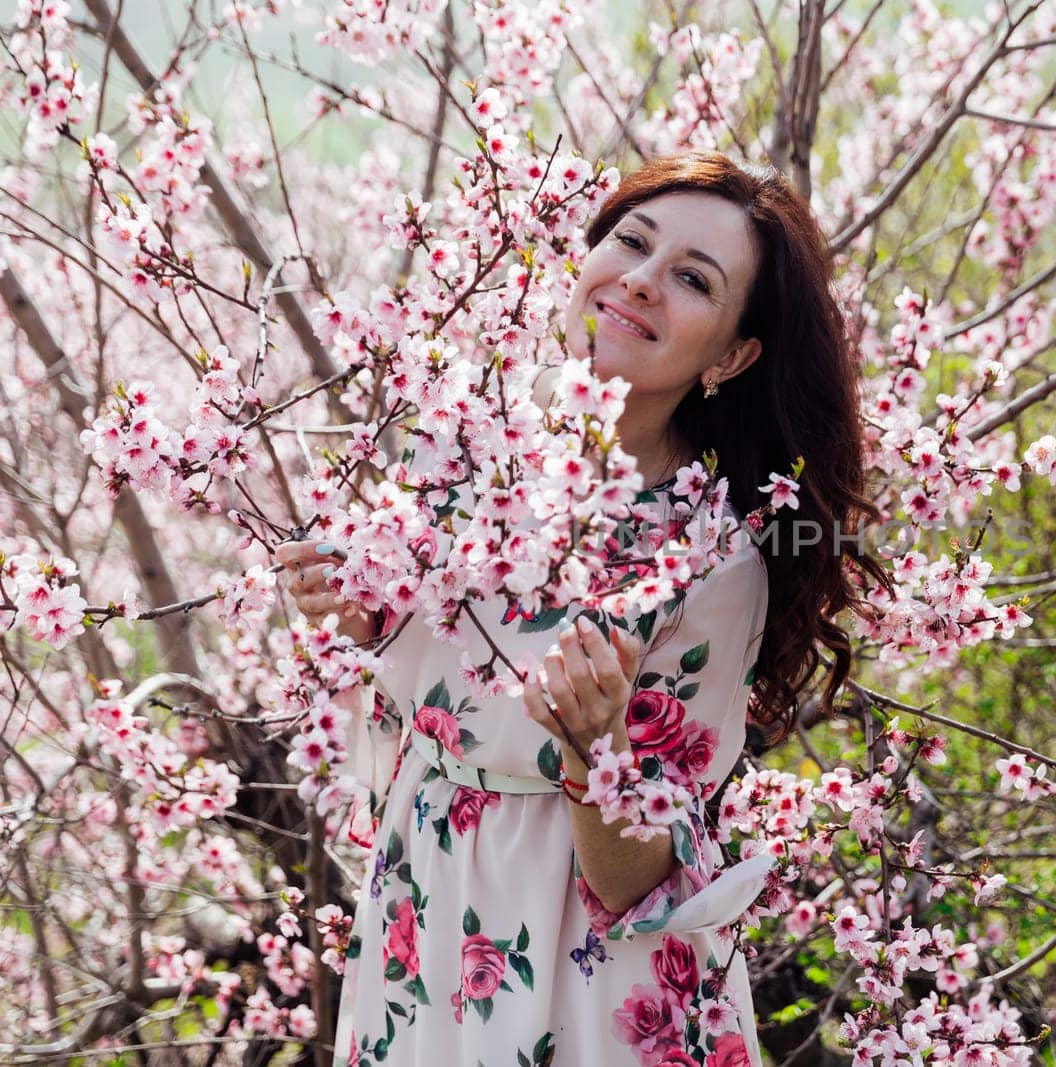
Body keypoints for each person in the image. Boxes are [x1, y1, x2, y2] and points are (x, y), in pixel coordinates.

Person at [275, 151, 889, 1066]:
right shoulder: (464, 432)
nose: (640, 281)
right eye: (631, 242)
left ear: (732, 354)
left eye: (691, 278)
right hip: (424, 899)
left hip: (582, 964)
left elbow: (639, 882)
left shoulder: (713, 556)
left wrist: (594, 745)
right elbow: (422, 675)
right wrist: (353, 613)